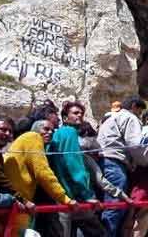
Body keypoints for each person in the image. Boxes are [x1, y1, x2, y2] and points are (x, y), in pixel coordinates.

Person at [3, 119, 79, 235]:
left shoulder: (25, 140)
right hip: (19, 201)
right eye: (46, 129)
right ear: (35, 129)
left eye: (52, 131)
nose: (50, 133)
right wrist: (65, 199)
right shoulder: (33, 137)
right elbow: (42, 172)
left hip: (16, 199)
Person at [48, 101, 104, 237]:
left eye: (81, 113)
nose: (80, 116)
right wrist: (87, 195)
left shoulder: (57, 134)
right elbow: (74, 165)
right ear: (65, 118)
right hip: (73, 196)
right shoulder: (69, 132)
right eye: (75, 113)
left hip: (60, 194)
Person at [97, 95, 148, 237]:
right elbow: (135, 145)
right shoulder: (130, 118)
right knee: (115, 206)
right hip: (116, 163)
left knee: (107, 205)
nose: (139, 115)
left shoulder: (109, 118)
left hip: (103, 161)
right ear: (133, 107)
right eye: (139, 112)